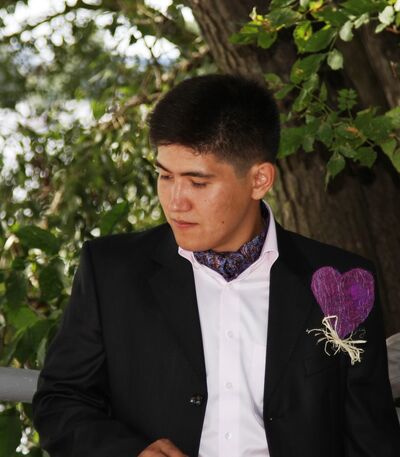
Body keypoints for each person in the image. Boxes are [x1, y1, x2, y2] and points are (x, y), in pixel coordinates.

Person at [32, 74, 400, 457]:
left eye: (198, 182)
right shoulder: (112, 272)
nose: (175, 202)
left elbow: (372, 439)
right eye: (164, 176)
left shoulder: (342, 281)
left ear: (259, 180)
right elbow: (60, 400)